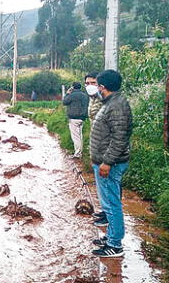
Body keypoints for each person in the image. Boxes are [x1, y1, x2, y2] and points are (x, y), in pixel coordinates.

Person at [90, 69, 133, 258]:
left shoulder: (117, 106)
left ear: (103, 87)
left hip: (110, 164)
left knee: (111, 204)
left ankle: (114, 245)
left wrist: (107, 162)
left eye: (97, 85)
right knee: (108, 203)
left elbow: (119, 138)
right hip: (104, 162)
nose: (95, 88)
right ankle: (110, 237)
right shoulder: (111, 102)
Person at [85, 72, 107, 224]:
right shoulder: (92, 98)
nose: (89, 86)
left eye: (93, 83)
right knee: (101, 183)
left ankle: (108, 217)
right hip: (96, 141)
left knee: (107, 183)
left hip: (104, 145)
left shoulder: (105, 99)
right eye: (87, 83)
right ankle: (105, 211)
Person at [62, 82, 89, 159]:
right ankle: (79, 152)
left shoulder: (71, 95)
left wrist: (67, 93)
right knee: (80, 136)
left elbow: (64, 102)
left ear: (73, 87)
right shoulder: (84, 95)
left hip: (74, 118)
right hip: (82, 118)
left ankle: (77, 154)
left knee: (76, 137)